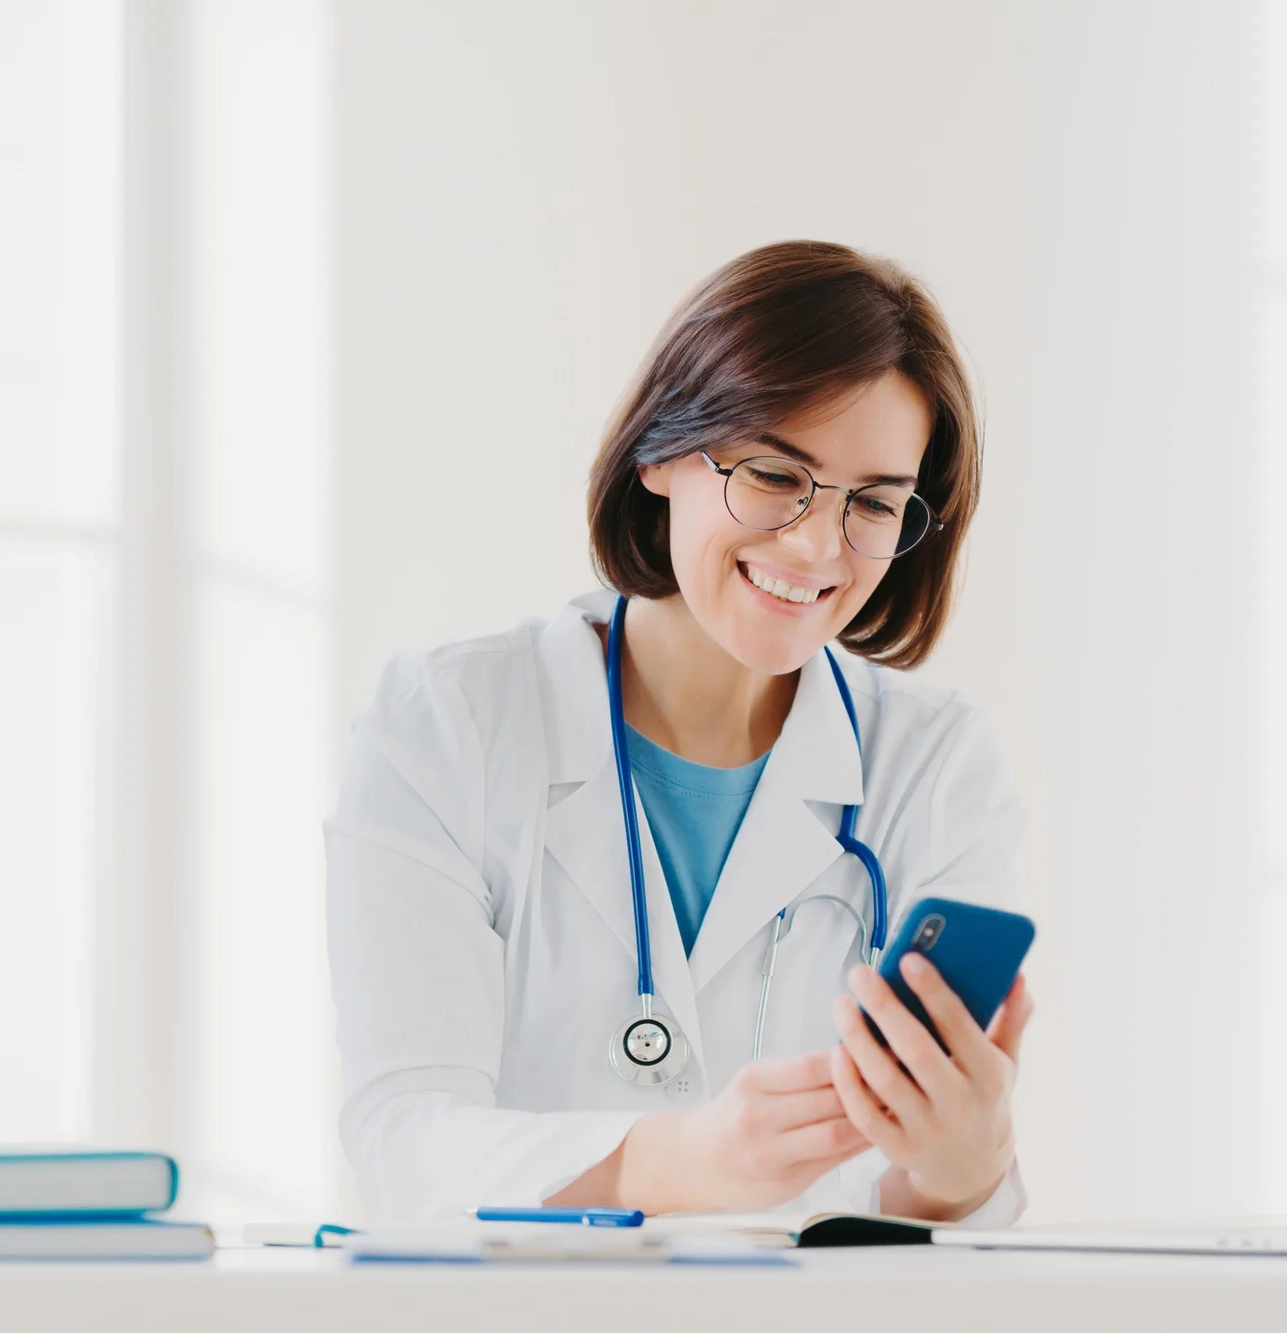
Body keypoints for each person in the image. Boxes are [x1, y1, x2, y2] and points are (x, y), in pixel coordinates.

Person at [325, 241, 1032, 1225]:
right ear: (660, 451)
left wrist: (958, 1169)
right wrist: (668, 1164)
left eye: (871, 502)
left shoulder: (933, 765)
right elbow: (403, 1145)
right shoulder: (446, 724)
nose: (815, 544)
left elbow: (919, 1223)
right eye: (775, 474)